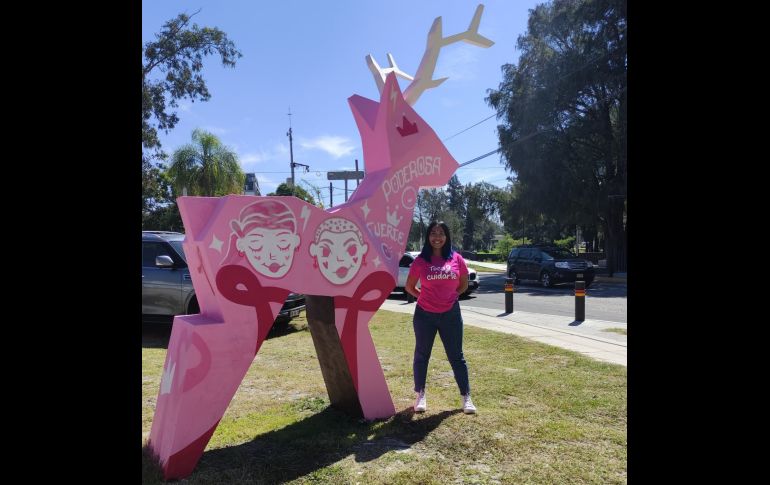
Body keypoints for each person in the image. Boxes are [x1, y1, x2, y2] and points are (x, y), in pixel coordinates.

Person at [405, 221, 476, 414]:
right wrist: (425, 297)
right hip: (424, 315)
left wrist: (451, 296)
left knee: (456, 356)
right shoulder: (421, 260)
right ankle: (420, 394)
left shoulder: (457, 259)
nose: (437, 237)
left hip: (450, 314)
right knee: (422, 355)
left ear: (447, 237)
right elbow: (409, 287)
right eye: (433, 233)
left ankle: (466, 397)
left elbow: (463, 284)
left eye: (441, 233)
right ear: (428, 237)